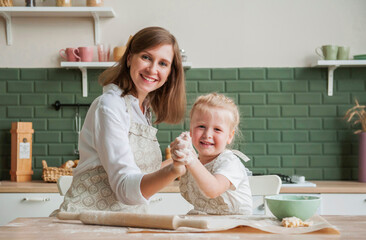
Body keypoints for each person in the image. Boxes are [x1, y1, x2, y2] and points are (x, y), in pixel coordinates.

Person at [56, 26, 187, 214]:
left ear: (169, 74)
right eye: (146, 57)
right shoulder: (110, 105)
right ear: (129, 59)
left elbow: (138, 170)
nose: (152, 69)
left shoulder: (143, 110)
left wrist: (182, 160)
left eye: (163, 63)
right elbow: (125, 189)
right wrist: (173, 171)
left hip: (124, 220)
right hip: (89, 221)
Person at [170, 93, 253, 215]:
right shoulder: (190, 158)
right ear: (191, 131)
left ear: (229, 136)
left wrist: (191, 160)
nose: (207, 134)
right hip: (206, 223)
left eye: (217, 129)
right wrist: (177, 156)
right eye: (201, 126)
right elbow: (158, 171)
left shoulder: (229, 162)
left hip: (236, 227)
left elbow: (213, 190)